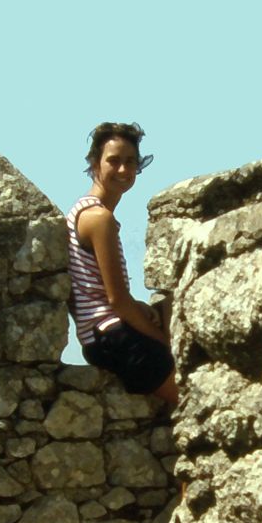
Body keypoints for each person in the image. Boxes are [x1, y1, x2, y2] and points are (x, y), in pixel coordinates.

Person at [65, 123, 178, 406]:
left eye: (130, 162)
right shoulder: (97, 218)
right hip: (114, 339)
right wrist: (163, 343)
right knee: (199, 404)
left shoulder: (87, 212)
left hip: (104, 336)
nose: (124, 171)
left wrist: (141, 308)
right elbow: (117, 301)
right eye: (113, 161)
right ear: (94, 163)